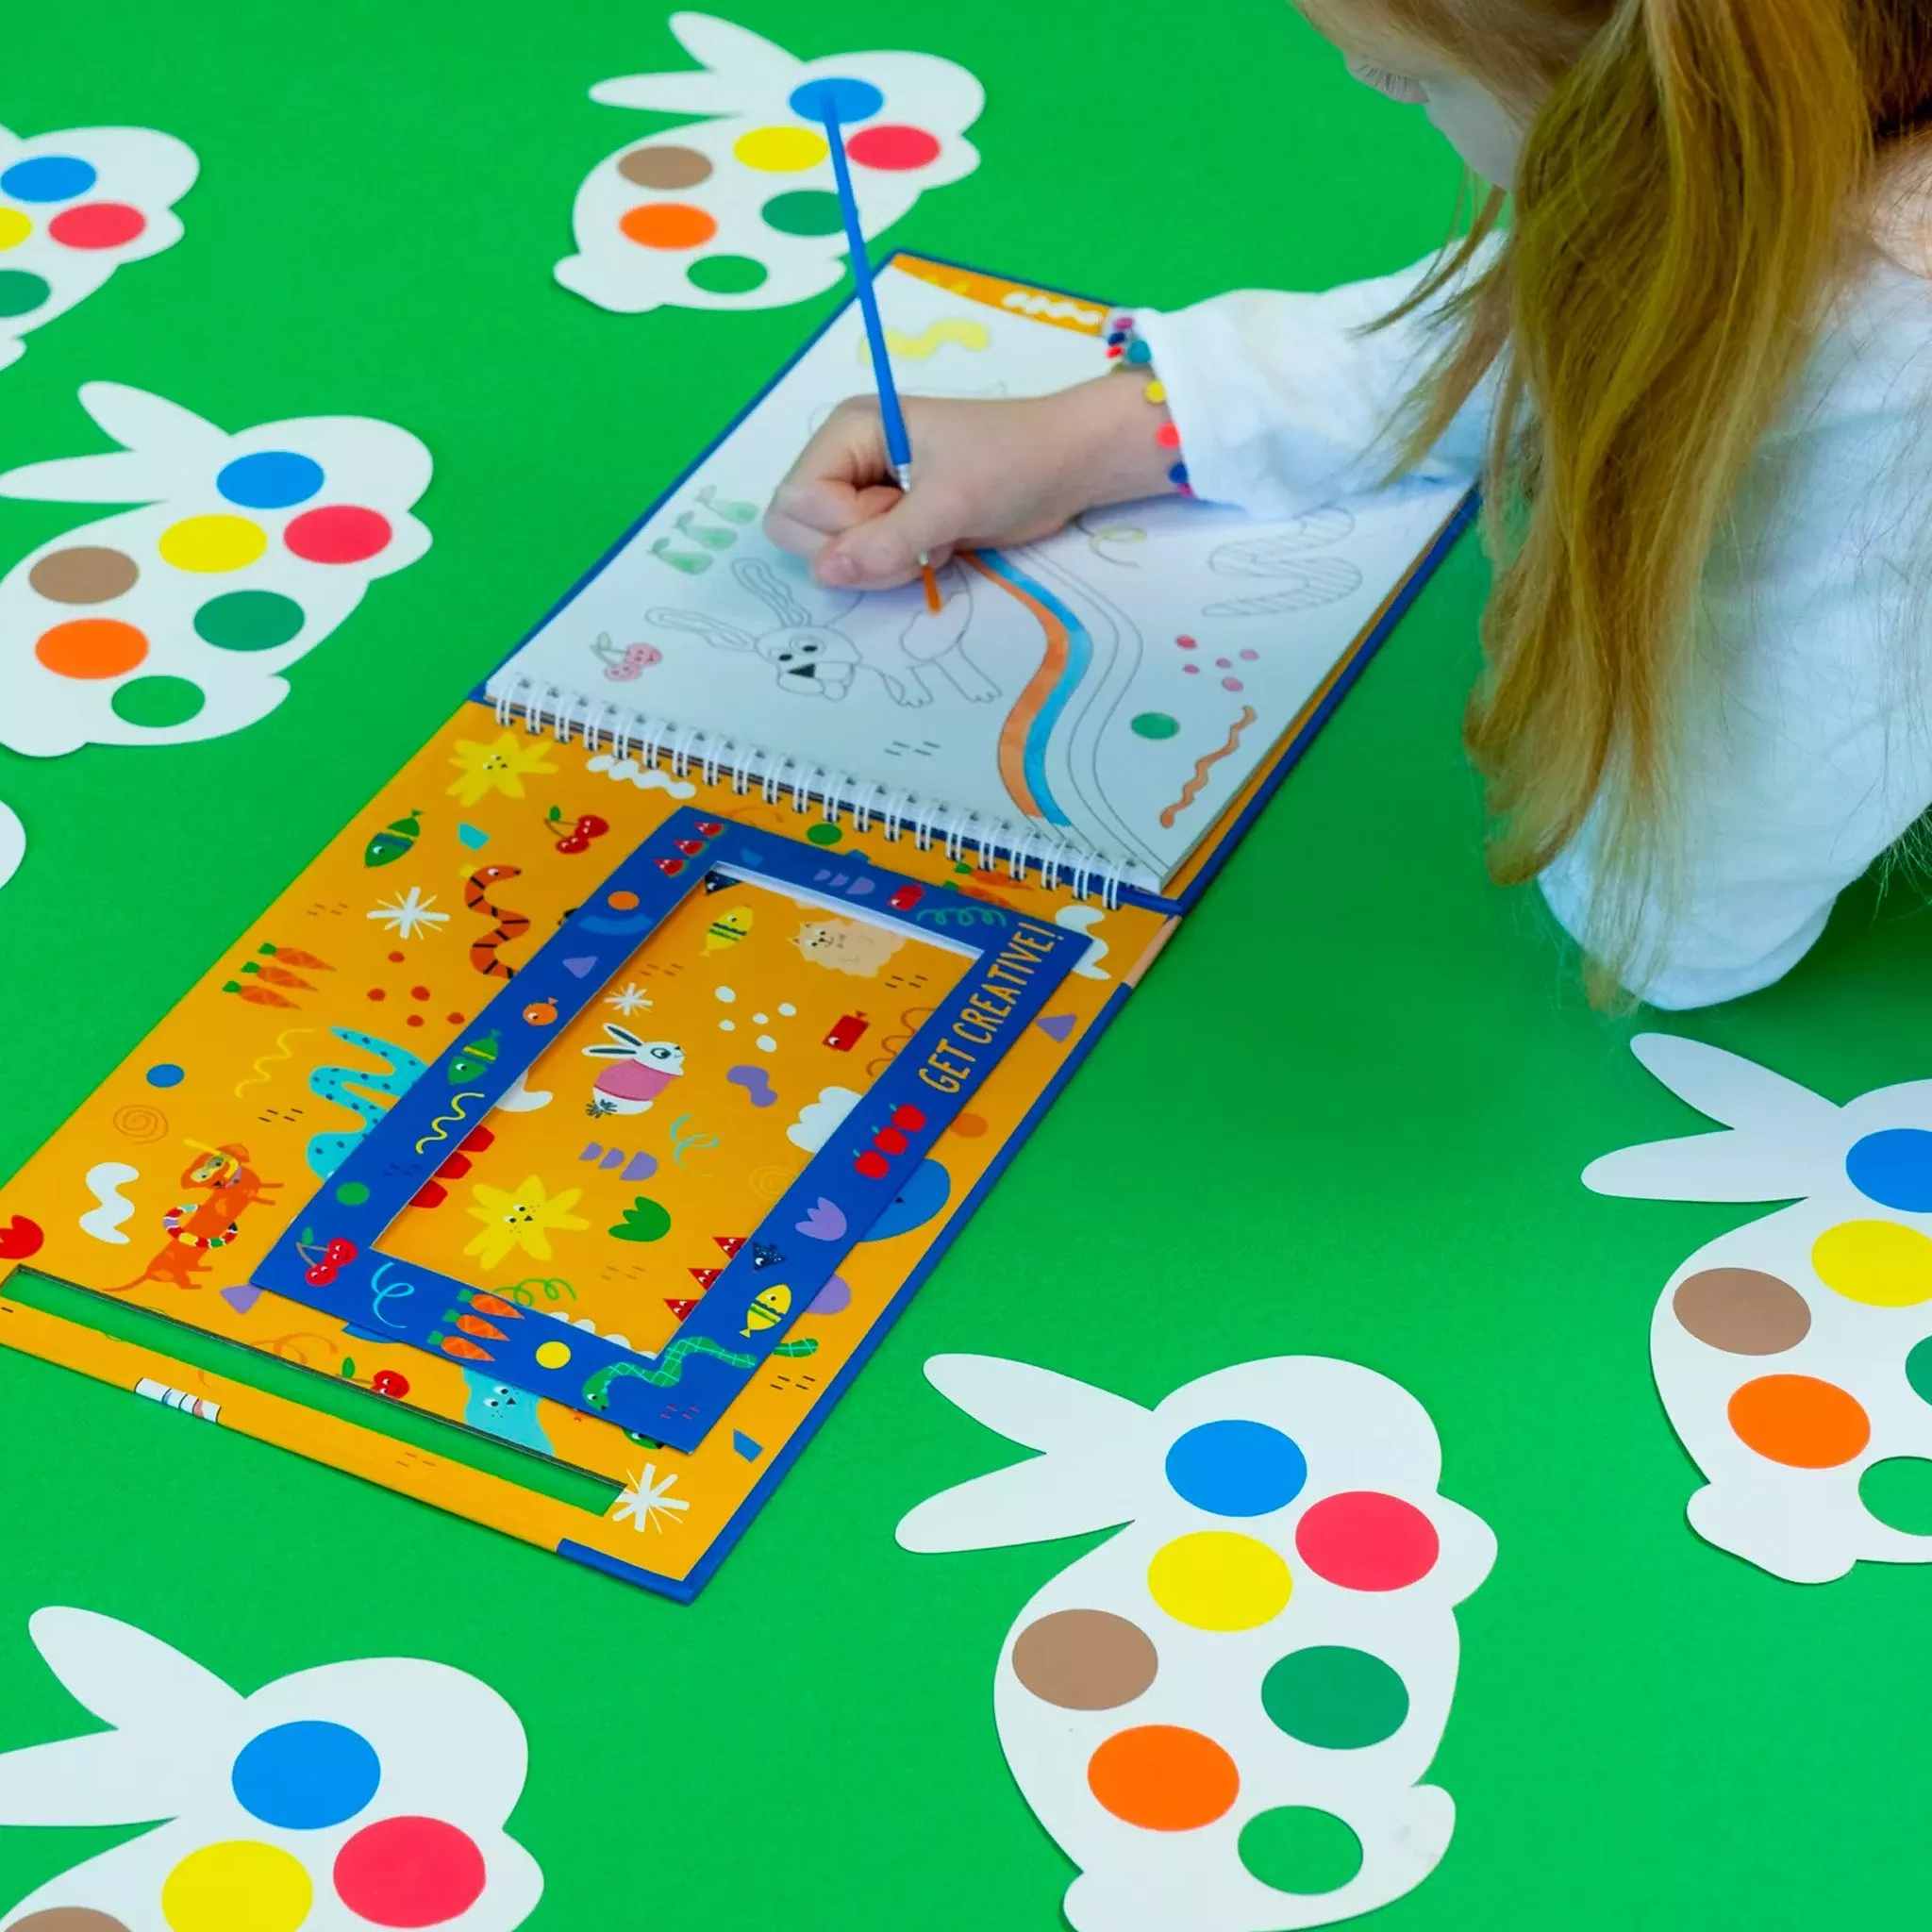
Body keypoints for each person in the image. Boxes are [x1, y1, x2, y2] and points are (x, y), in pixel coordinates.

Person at [764, 1, 1932, 1009]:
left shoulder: (1886, 368)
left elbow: (1675, 917)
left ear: (1692, 87)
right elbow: (1614, 279)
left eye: (1411, 79)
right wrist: (1109, 429)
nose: (1360, 86)